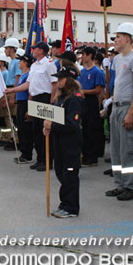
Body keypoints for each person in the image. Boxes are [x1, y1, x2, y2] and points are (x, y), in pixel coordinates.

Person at [5, 41, 57, 171]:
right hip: (34, 98)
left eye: (35, 49)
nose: (33, 50)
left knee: (45, 131)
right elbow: (29, 84)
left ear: (41, 50)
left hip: (45, 98)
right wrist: (13, 90)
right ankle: (40, 159)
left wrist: (52, 102)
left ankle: (47, 161)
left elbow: (54, 84)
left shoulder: (49, 64)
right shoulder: (34, 66)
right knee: (36, 131)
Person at [107, 23, 133, 201]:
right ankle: (119, 184)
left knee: (128, 149)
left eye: (118, 37)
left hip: (128, 107)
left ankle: (131, 186)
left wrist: (131, 112)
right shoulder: (117, 59)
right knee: (116, 148)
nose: (116, 40)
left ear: (128, 38)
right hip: (117, 106)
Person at [43, 65, 84, 218]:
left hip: (70, 143)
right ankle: (65, 202)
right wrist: (47, 126)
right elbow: (53, 116)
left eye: (61, 78)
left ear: (69, 79)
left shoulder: (74, 99)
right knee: (60, 172)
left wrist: (52, 125)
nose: (58, 81)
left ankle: (71, 207)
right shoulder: (59, 98)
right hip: (59, 141)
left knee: (70, 174)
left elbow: (71, 123)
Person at [78, 46, 105, 167]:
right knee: (83, 129)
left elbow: (98, 90)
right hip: (82, 101)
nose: (82, 57)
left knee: (91, 129)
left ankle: (92, 156)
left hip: (91, 101)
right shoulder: (82, 71)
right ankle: (85, 154)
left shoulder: (97, 72)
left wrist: (84, 92)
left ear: (90, 56)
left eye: (84, 54)